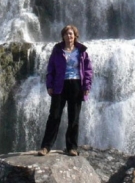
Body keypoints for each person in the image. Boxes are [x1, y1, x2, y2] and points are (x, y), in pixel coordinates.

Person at [37, 24, 93, 156]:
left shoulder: (82, 51)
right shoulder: (57, 51)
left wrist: (86, 86)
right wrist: (49, 85)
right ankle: (46, 147)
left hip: (76, 85)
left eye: (71, 34)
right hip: (59, 85)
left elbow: (88, 70)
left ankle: (72, 147)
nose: (69, 36)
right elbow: (51, 69)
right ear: (63, 36)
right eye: (66, 34)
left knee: (74, 118)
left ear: (75, 36)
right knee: (54, 116)